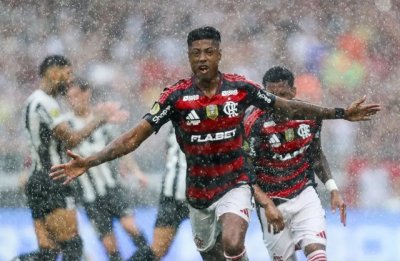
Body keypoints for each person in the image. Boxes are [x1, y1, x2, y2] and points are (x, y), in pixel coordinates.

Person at [49, 26, 380, 261]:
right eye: (196, 53)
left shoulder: (239, 88)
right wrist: (90, 160)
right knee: (214, 253)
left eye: (209, 51)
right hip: (197, 193)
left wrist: (340, 113)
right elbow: (134, 137)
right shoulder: (175, 97)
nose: (203, 58)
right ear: (189, 58)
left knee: (234, 242)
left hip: (234, 182)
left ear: (219, 54)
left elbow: (287, 107)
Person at [15, 55, 121, 261]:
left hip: (39, 180)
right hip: (52, 180)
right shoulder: (44, 102)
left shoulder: (36, 101)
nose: (70, 80)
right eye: (67, 74)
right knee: (73, 246)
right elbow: (71, 139)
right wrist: (99, 119)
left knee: (49, 253)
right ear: (53, 73)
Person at [244, 66, 347, 261]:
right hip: (271, 201)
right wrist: (266, 204)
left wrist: (333, 188)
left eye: (283, 94)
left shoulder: (309, 116)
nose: (278, 102)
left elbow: (315, 155)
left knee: (317, 250)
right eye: (273, 96)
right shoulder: (253, 124)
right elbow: (244, 173)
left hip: (303, 193)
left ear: (294, 91)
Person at [65, 78, 150, 261]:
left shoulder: (103, 118)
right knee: (110, 247)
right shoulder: (66, 125)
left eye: (75, 95)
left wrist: (136, 172)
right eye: (69, 97)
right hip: (90, 198)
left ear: (86, 94)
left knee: (131, 227)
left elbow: (121, 148)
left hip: (113, 188)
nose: (72, 100)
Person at [130, 125, 189, 261]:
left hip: (180, 191)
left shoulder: (177, 115)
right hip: (183, 192)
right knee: (158, 249)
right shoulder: (192, 113)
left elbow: (167, 151)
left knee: (157, 249)